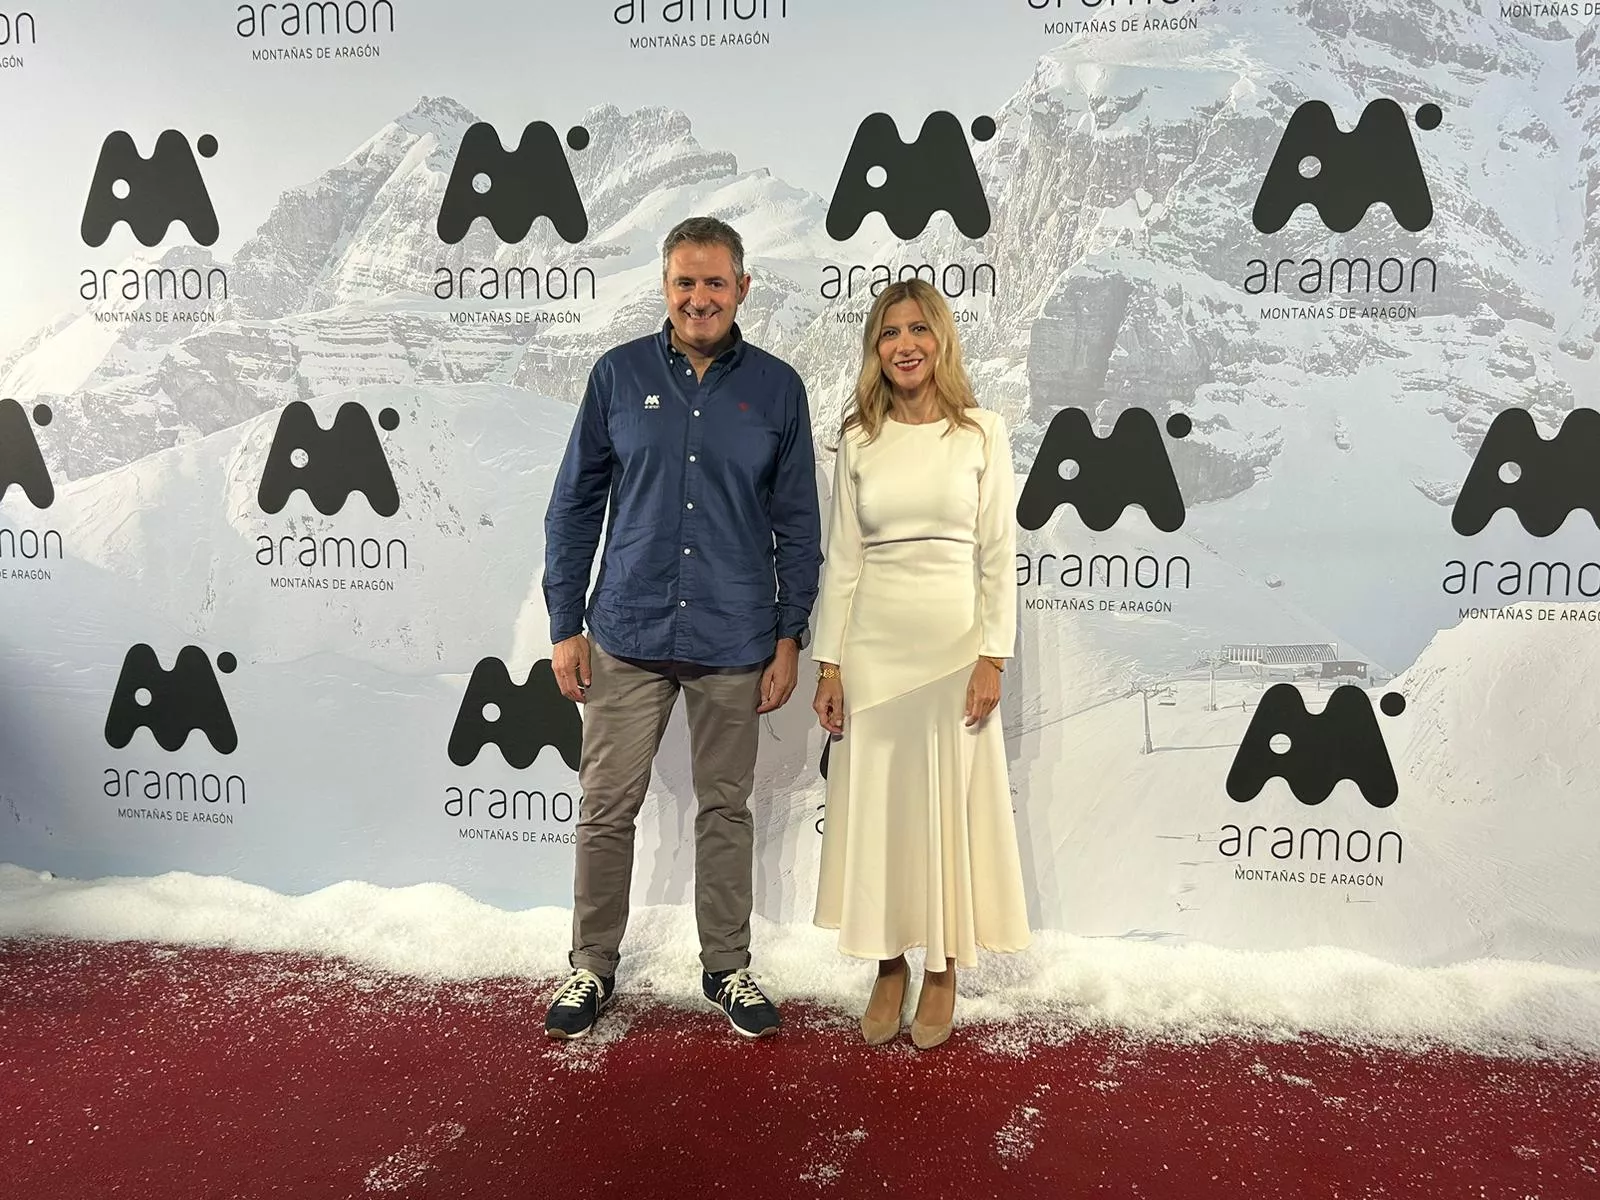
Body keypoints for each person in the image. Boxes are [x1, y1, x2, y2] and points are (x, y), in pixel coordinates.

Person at [541, 216, 822, 1041]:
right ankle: (591, 967)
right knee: (605, 807)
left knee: (725, 810)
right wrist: (565, 623)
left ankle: (726, 967)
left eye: (715, 282)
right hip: (626, 631)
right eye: (685, 282)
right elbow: (574, 505)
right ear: (665, 288)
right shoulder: (617, 375)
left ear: (743, 288)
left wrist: (790, 635)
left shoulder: (777, 388)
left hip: (735, 638)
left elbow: (798, 523)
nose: (700, 298)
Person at [810, 279, 1031, 1050]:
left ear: (941, 339)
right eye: (889, 332)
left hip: (953, 654)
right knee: (881, 816)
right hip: (873, 653)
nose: (904, 345)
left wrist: (993, 656)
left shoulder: (983, 433)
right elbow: (842, 560)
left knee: (945, 816)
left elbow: (998, 554)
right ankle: (887, 964)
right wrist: (829, 665)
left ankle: (942, 971)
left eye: (918, 329)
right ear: (875, 349)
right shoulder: (859, 438)